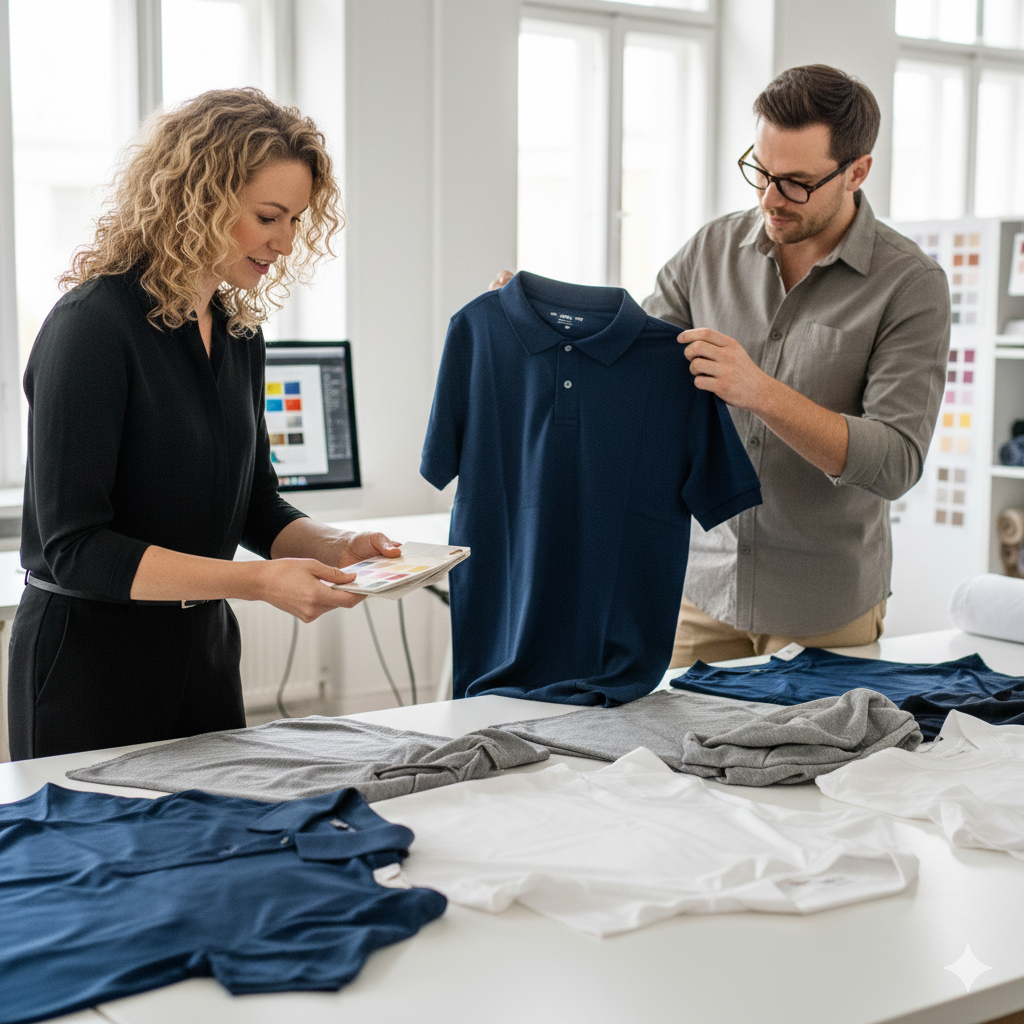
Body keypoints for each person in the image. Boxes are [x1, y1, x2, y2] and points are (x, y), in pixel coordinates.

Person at [492, 64, 950, 669]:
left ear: (857, 172)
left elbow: (894, 462)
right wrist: (541, 330)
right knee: (662, 760)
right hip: (696, 592)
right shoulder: (710, 250)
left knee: (814, 766)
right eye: (760, 171)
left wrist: (761, 392)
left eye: (796, 183)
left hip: (824, 607)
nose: (769, 199)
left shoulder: (910, 284)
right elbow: (632, 373)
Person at [9, 87, 400, 760]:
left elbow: (255, 507)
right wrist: (256, 583)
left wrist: (338, 547)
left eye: (297, 220)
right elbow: (77, 547)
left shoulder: (240, 333)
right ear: (200, 198)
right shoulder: (93, 327)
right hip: (89, 668)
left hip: (204, 655)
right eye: (268, 216)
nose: (284, 242)